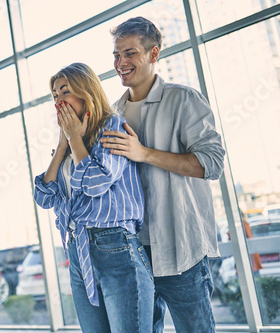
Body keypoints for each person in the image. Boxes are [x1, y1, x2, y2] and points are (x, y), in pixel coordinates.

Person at [100, 17, 226, 332]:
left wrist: (144, 153)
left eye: (129, 53)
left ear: (153, 54)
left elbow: (211, 163)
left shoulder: (183, 99)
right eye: (116, 55)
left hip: (180, 249)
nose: (120, 63)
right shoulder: (113, 114)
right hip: (131, 254)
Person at [33, 62, 154, 332]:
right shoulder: (70, 143)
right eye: (54, 95)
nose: (58, 101)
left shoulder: (111, 126)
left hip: (116, 246)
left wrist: (75, 139)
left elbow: (97, 182)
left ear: (85, 91)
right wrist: (64, 143)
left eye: (64, 91)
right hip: (78, 252)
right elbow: (44, 197)